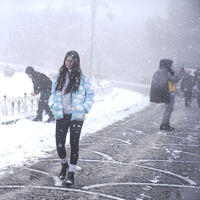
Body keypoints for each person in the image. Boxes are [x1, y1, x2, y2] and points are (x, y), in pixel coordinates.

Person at [49, 50, 94, 186]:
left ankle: (71, 174)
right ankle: (64, 165)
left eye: (71, 61)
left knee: (74, 145)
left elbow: (90, 94)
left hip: (76, 117)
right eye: (66, 60)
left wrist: (84, 108)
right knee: (59, 144)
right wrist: (53, 105)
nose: (68, 63)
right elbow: (52, 93)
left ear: (76, 62)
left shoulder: (83, 79)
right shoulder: (58, 77)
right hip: (61, 116)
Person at [150, 59, 184, 131]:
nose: (171, 66)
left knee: (168, 108)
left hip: (165, 92)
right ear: (167, 65)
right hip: (169, 92)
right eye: (170, 64)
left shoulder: (158, 71)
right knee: (169, 109)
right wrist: (181, 74)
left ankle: (166, 124)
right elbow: (174, 80)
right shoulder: (166, 72)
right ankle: (164, 124)